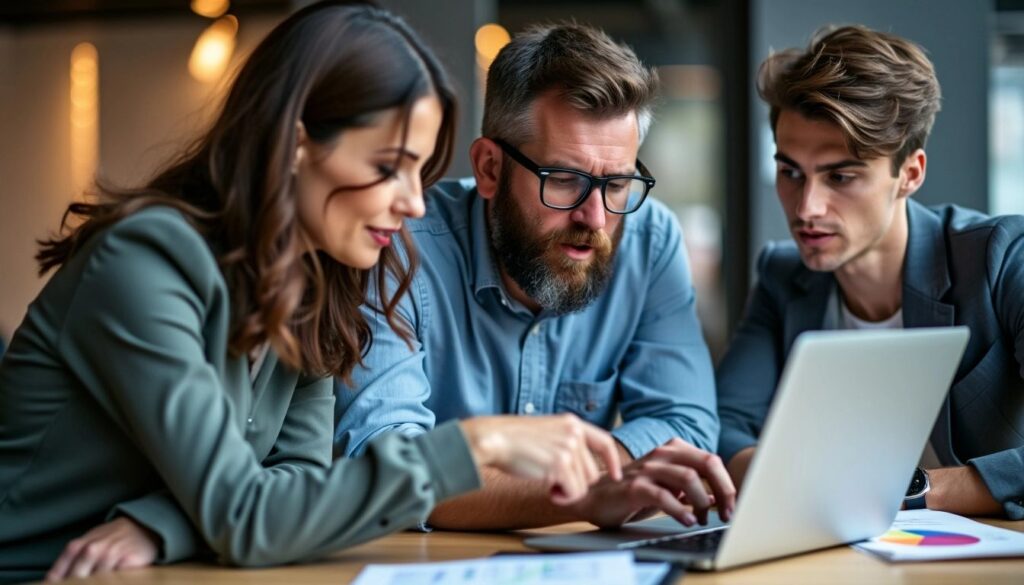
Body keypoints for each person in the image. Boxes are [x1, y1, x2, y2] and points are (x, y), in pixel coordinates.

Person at [0, 3, 624, 582]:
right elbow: (247, 516)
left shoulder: (314, 284)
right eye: (387, 166)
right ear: (296, 145)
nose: (411, 201)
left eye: (419, 169)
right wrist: (476, 443)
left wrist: (164, 522)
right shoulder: (143, 263)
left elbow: (300, 476)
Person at [335, 22, 736, 531]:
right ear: (489, 169)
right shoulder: (395, 244)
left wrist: (484, 481)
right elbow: (383, 465)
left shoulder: (650, 239)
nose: (594, 218)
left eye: (616, 185)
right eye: (564, 180)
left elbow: (687, 428)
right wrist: (587, 492)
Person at [717, 25, 1024, 519]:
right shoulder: (781, 276)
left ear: (910, 173)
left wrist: (911, 492)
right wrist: (796, 490)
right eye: (790, 172)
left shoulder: (1003, 256)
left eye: (841, 176)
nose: (806, 208)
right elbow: (728, 425)